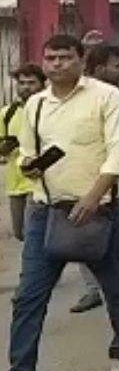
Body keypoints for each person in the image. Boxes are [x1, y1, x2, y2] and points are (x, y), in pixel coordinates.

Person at [0, 34, 119, 371]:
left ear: (81, 59)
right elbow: (28, 154)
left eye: (64, 57)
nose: (57, 63)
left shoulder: (105, 97)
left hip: (99, 211)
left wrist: (93, 197)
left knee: (115, 289)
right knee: (28, 297)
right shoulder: (36, 105)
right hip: (46, 212)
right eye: (50, 58)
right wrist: (30, 167)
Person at [71, 43, 119, 315]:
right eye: (118, 65)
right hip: (84, 183)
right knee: (83, 240)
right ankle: (93, 290)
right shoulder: (75, 100)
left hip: (118, 184)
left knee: (115, 251)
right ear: (98, 68)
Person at [3, 64, 45, 240]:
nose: (26, 87)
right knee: (20, 233)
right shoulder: (8, 113)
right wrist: (6, 146)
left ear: (42, 84)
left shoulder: (50, 109)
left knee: (34, 235)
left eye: (31, 83)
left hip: (39, 182)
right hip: (15, 183)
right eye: (22, 83)